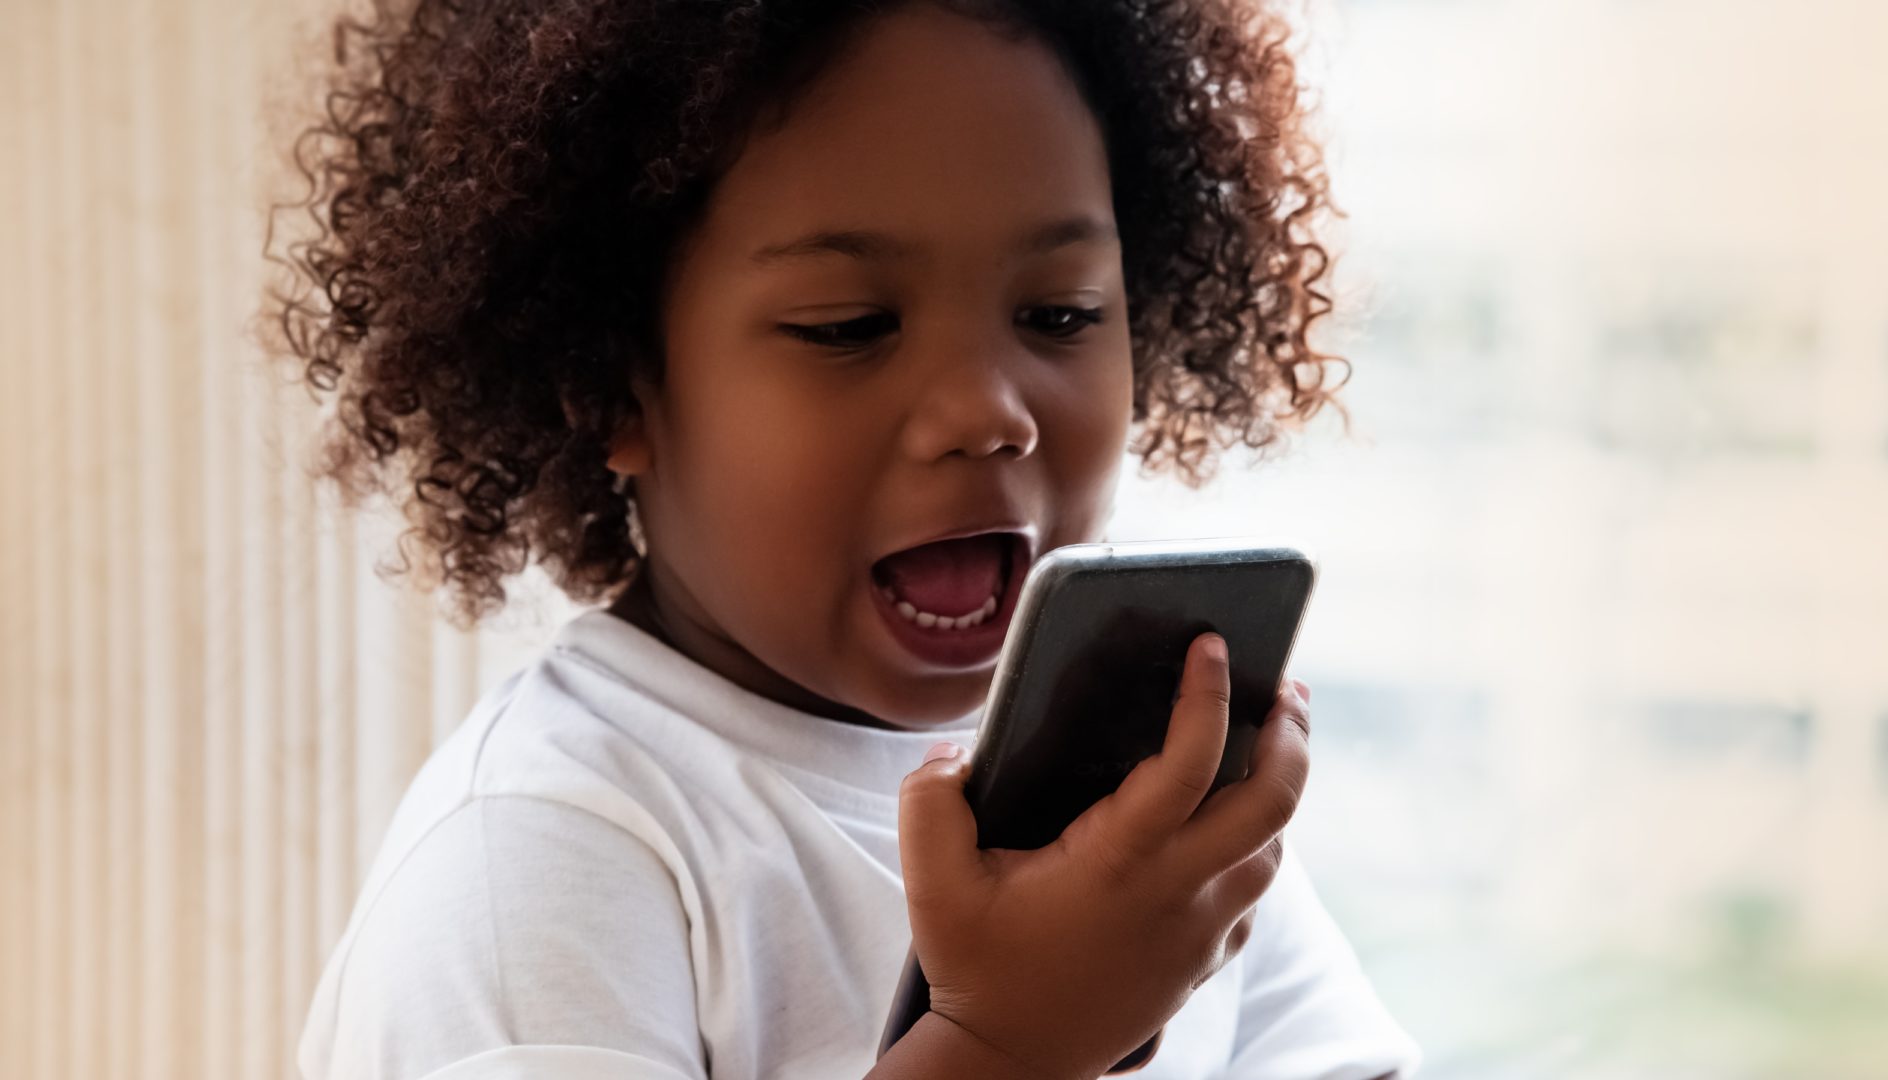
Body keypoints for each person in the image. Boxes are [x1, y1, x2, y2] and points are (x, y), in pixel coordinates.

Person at [268, 0, 1422, 1076]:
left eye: (1061, 315)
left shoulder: (1134, 791)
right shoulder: (540, 853)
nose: (989, 412)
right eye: (849, 327)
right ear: (606, 383)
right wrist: (1006, 1048)